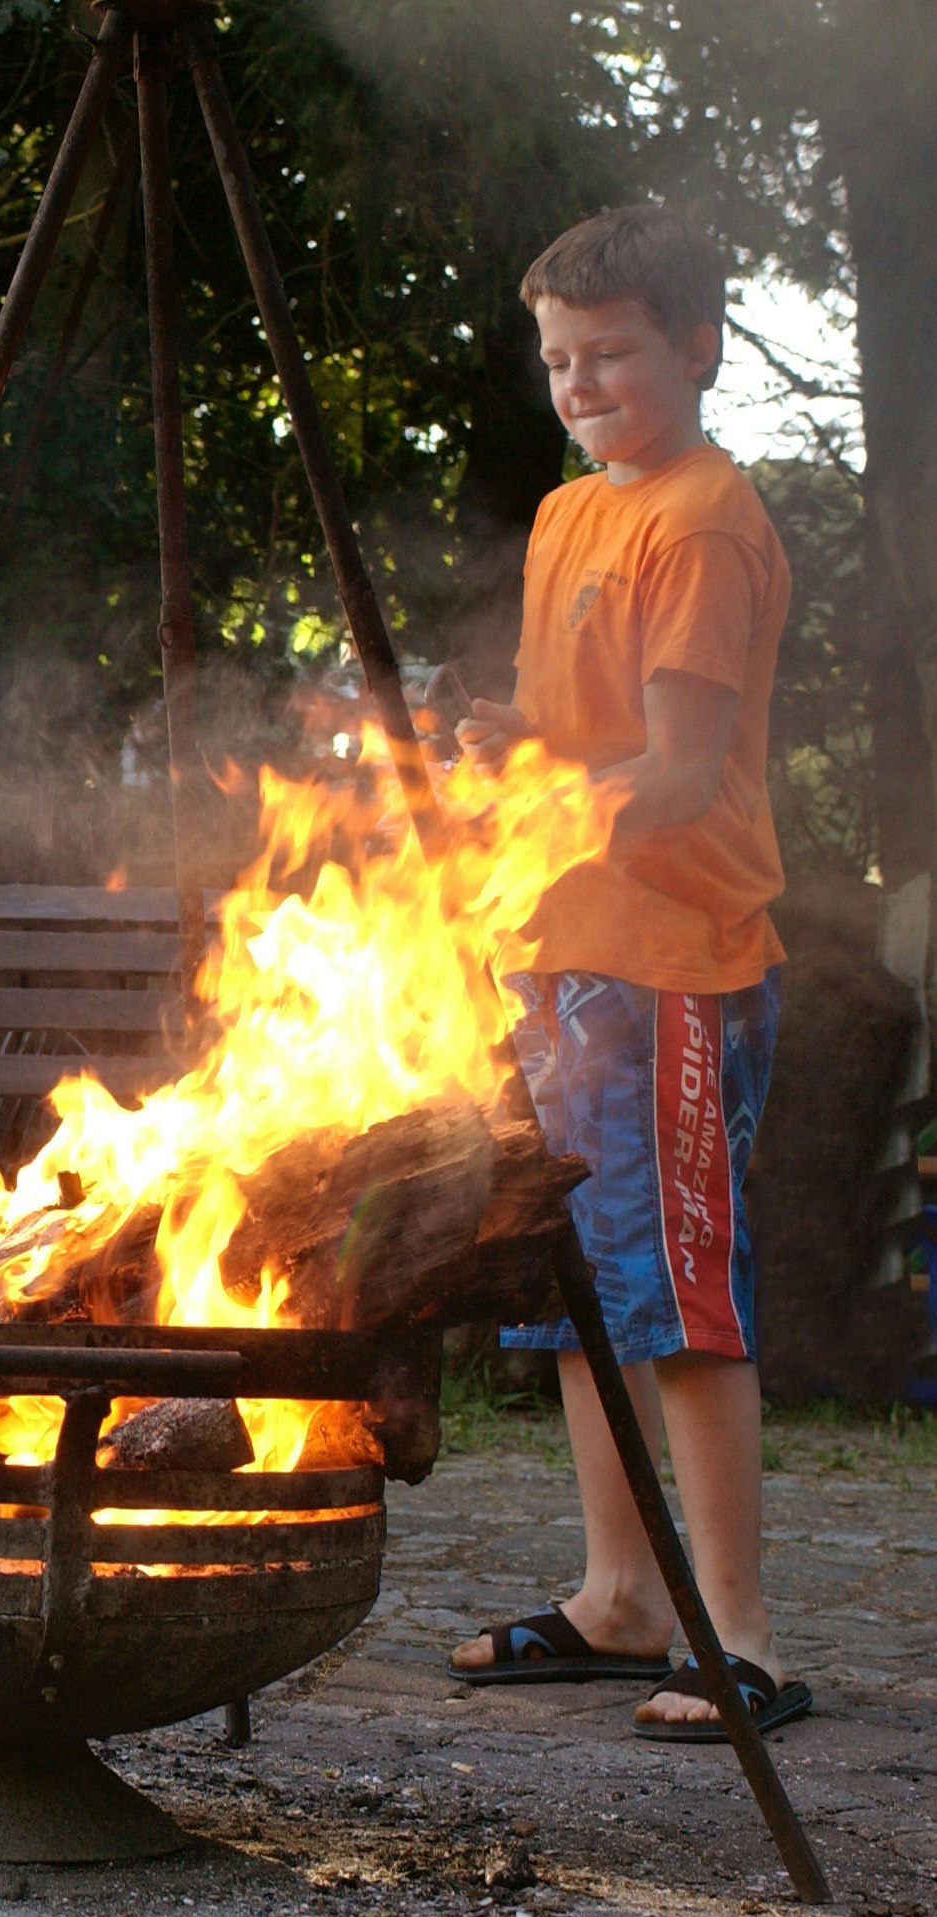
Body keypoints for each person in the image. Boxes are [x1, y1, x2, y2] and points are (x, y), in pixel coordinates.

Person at [448, 205, 808, 1740]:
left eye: (611, 356)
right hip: (568, 950)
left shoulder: (703, 517)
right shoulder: (565, 515)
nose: (580, 384)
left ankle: (743, 1637)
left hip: (673, 956)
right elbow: (577, 746)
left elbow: (673, 770)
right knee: (584, 1297)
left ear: (700, 349)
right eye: (558, 360)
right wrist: (502, 756)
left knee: (682, 1301)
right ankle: (618, 1595)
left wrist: (547, 784)